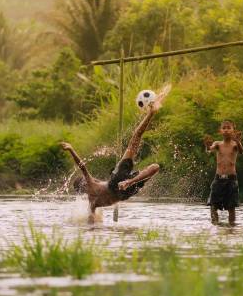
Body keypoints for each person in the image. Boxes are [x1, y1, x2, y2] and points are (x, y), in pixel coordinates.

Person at [60, 92, 166, 223]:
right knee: (153, 164)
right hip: (121, 187)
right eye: (85, 184)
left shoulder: (92, 197)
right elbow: (91, 220)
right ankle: (130, 182)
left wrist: (71, 149)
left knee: (137, 142)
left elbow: (81, 165)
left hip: (118, 185)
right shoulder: (91, 199)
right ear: (83, 189)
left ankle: (151, 112)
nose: (90, 180)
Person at [204, 120, 243, 226]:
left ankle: (231, 227)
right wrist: (207, 145)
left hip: (231, 180)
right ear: (220, 131)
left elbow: (241, 151)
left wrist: (238, 141)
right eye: (224, 128)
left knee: (231, 207)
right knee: (213, 205)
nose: (226, 130)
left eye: (228, 128)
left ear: (233, 130)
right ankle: (215, 225)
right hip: (218, 179)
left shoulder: (235, 144)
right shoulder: (218, 144)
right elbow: (209, 149)